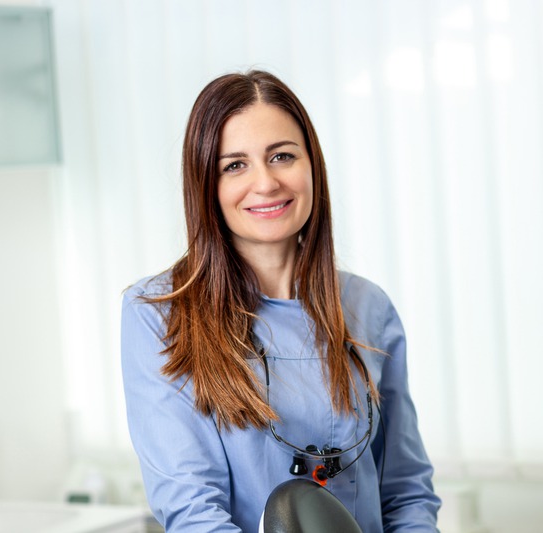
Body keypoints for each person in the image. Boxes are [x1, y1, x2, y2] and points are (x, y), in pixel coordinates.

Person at [121, 69, 441, 532]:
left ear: (312, 165)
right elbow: (193, 511)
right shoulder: (160, 313)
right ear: (205, 185)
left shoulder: (368, 308)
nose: (266, 183)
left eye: (282, 156)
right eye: (234, 165)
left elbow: (406, 491)